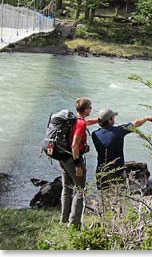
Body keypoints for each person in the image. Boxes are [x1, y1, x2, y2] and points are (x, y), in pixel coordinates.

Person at [92, 108, 152, 190]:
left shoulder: (94, 134)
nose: (114, 119)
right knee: (120, 198)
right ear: (110, 120)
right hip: (117, 172)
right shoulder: (119, 131)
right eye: (113, 117)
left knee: (104, 198)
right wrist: (146, 118)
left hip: (101, 172)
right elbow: (136, 123)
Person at [59, 97, 98, 229]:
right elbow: (75, 144)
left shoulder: (74, 120)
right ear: (86, 109)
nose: (91, 109)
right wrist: (77, 165)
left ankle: (64, 220)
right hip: (73, 158)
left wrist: (99, 120)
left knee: (67, 188)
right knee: (81, 190)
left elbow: (86, 123)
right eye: (90, 107)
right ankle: (74, 224)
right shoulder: (80, 124)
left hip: (63, 157)